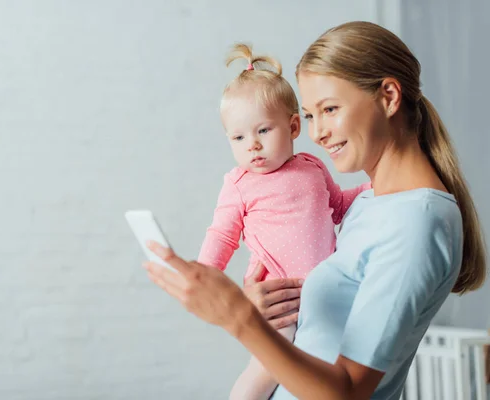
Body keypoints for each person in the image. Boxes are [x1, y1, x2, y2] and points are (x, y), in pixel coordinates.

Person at [143, 21, 487, 400]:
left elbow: (349, 392)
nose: (317, 132)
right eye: (309, 116)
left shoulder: (416, 221)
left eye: (330, 109)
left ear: (389, 97)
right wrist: (264, 309)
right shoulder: (371, 203)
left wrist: (238, 319)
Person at [197, 43, 370, 400]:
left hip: (327, 296)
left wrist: (373, 186)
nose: (253, 146)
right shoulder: (239, 184)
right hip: (281, 300)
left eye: (263, 131)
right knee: (265, 370)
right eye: (239, 137)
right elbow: (222, 235)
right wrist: (205, 274)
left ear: (293, 127)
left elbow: (337, 206)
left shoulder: (312, 167)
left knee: (327, 369)